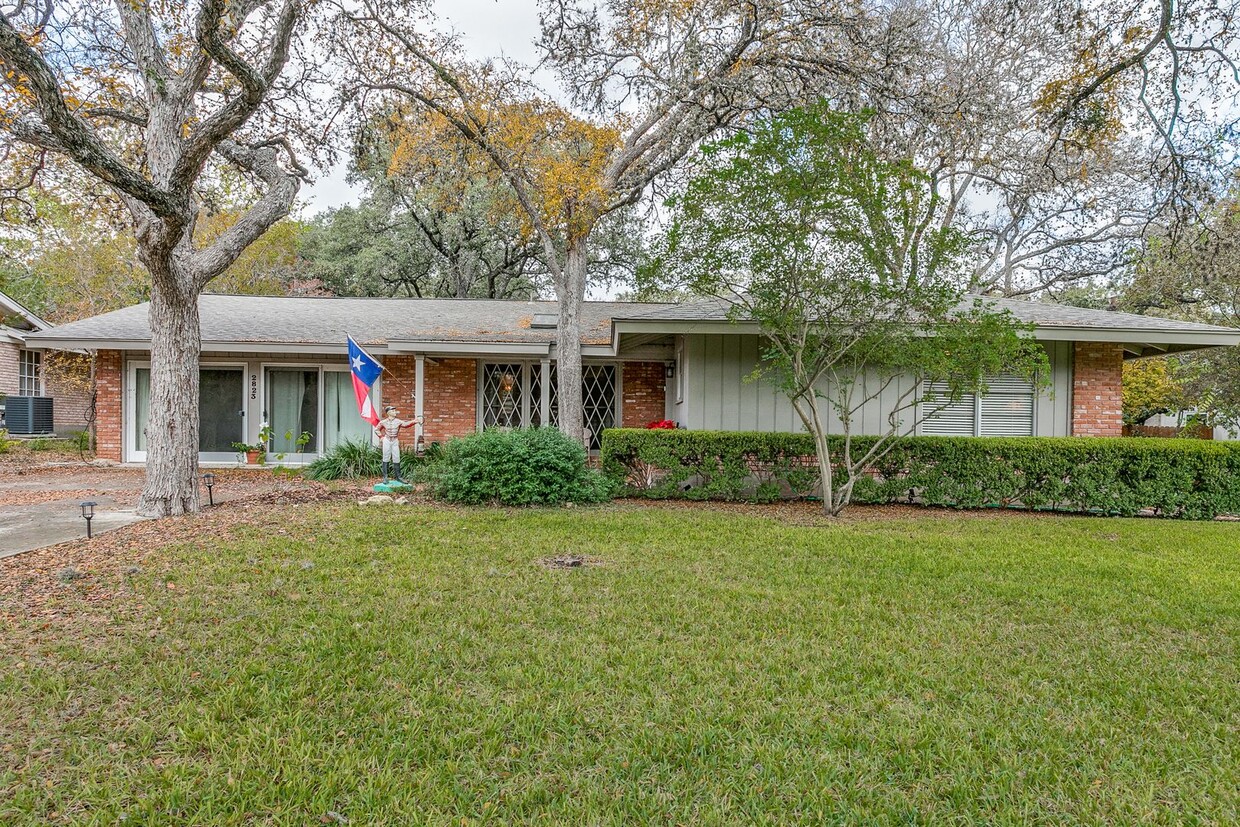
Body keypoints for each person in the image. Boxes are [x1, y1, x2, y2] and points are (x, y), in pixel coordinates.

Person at [375, 405, 420, 483]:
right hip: (387, 440)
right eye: (393, 411)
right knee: (386, 457)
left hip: (395, 440)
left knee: (397, 457)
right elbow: (377, 429)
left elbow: (406, 424)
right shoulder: (383, 422)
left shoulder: (398, 421)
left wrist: (414, 421)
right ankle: (385, 477)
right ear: (388, 412)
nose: (395, 412)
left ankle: (398, 477)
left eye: (394, 411)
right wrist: (381, 437)